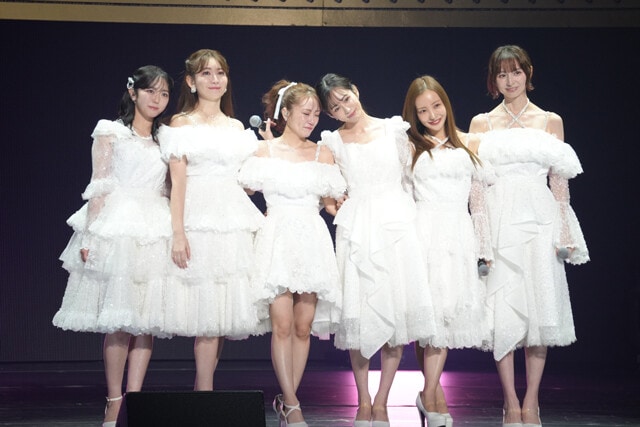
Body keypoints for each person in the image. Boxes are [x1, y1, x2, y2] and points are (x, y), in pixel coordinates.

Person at [469, 45, 589, 427]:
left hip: (539, 221)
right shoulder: (481, 123)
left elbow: (560, 184)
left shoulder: (550, 121)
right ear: (494, 79)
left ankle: (532, 401)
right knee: (503, 309)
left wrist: (565, 232)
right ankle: (509, 401)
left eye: (516, 72)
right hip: (499, 219)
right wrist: (481, 238)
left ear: (528, 73)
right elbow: (476, 187)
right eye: (502, 74)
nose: (510, 80)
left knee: (539, 308)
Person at [52, 65, 173, 427]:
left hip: (156, 226)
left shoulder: (166, 138)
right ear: (133, 92)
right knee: (119, 319)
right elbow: (100, 184)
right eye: (150, 91)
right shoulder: (111, 131)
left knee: (146, 320)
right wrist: (91, 235)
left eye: (164, 93)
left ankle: (134, 400)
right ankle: (114, 400)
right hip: (119, 224)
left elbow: (171, 187)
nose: (157, 99)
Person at [316, 73, 436, 427]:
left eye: (345, 98)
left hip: (396, 226)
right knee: (359, 316)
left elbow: (410, 179)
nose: (344, 109)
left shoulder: (393, 129)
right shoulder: (333, 142)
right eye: (335, 108)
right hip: (358, 230)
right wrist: (335, 204)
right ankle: (363, 401)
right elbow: (327, 191)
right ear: (330, 114)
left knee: (393, 315)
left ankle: (382, 401)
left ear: (356, 90)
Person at [239, 80, 346, 427]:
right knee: (282, 325)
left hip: (312, 239)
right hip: (277, 239)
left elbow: (330, 204)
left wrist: (349, 207)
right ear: (285, 112)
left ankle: (287, 401)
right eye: (305, 112)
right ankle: (293, 404)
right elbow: (243, 189)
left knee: (303, 327)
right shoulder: (264, 151)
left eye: (316, 114)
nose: (311, 119)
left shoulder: (321, 153)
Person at [158, 49, 263, 391]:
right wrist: (178, 233)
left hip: (232, 219)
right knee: (206, 312)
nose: (214, 79)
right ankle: (204, 394)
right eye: (206, 73)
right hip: (199, 219)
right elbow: (177, 184)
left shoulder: (236, 127)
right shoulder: (181, 124)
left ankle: (204, 390)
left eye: (220, 73)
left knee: (221, 312)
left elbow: (247, 182)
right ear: (191, 81)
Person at [402, 75, 493, 427]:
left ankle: (429, 394)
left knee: (446, 315)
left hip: (458, 234)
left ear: (446, 104)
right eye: (423, 110)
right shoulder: (409, 146)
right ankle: (432, 396)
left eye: (436, 106)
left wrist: (484, 246)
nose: (432, 115)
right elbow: (402, 196)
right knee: (428, 320)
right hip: (422, 232)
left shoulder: (470, 143)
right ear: (414, 114)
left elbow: (478, 203)